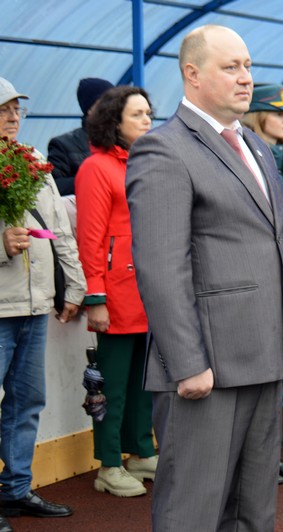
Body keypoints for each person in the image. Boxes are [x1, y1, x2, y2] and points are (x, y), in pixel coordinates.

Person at [125, 25, 283, 530]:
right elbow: (162, 266)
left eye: (247, 66)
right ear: (192, 74)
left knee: (252, 511)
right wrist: (187, 364)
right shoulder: (163, 149)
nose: (246, 78)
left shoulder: (256, 145)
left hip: (266, 357)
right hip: (206, 368)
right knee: (193, 512)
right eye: (231, 67)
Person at [0, 77, 86, 528]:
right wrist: (1, 245)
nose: (13, 118)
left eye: (17, 110)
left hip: (34, 307)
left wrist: (73, 287)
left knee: (27, 401)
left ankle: (14, 490)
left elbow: (59, 230)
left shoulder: (32, 161)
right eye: (4, 110)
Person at [75, 86, 157, 498]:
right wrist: (96, 298)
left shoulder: (146, 163)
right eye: (138, 114)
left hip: (150, 292)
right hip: (116, 295)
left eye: (148, 114)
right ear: (114, 122)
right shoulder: (96, 167)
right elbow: (90, 239)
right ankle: (109, 465)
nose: (147, 121)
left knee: (146, 381)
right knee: (111, 385)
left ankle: (141, 452)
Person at [241, 82, 283, 483]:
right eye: (278, 111)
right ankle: (255, 461)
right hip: (263, 287)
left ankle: (269, 454)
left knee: (280, 378)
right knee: (261, 380)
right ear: (257, 115)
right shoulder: (249, 160)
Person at [47, 78, 114, 196]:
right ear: (90, 109)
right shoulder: (64, 144)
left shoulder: (125, 139)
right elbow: (53, 186)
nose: (114, 108)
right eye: (107, 102)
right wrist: (92, 180)